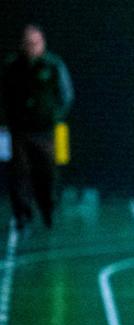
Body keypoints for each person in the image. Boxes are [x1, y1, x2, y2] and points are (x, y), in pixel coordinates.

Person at [1, 25, 73, 230]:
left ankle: (48, 210)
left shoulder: (53, 65)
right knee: (18, 173)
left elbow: (66, 95)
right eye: (27, 43)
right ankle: (22, 215)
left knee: (48, 172)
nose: (31, 47)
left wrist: (54, 117)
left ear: (42, 44)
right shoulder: (11, 66)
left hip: (45, 130)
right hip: (17, 130)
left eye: (35, 43)